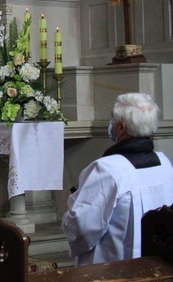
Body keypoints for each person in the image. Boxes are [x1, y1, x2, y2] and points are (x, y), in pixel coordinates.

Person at [62, 92, 173, 266]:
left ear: (121, 128)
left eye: (112, 120)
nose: (110, 125)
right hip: (158, 264)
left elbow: (83, 227)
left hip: (113, 269)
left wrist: (68, 217)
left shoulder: (107, 169)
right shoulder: (164, 163)